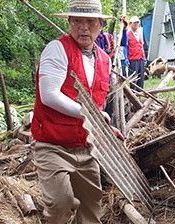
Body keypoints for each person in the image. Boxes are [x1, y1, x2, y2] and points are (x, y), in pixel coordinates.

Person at [32, 0, 121, 223]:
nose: (84, 27)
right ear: (69, 22)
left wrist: (103, 126)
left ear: (100, 24)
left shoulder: (103, 59)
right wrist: (89, 115)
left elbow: (97, 104)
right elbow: (49, 95)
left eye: (90, 22)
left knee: (92, 208)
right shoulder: (57, 49)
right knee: (61, 203)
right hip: (53, 144)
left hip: (85, 146)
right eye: (78, 21)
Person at [120, 15, 147, 89]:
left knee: (141, 79)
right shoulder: (127, 34)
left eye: (137, 23)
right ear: (131, 24)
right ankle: (133, 95)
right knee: (133, 79)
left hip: (140, 58)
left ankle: (140, 94)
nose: (136, 24)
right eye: (134, 23)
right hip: (132, 59)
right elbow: (125, 46)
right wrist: (126, 58)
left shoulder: (140, 34)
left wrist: (144, 57)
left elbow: (141, 46)